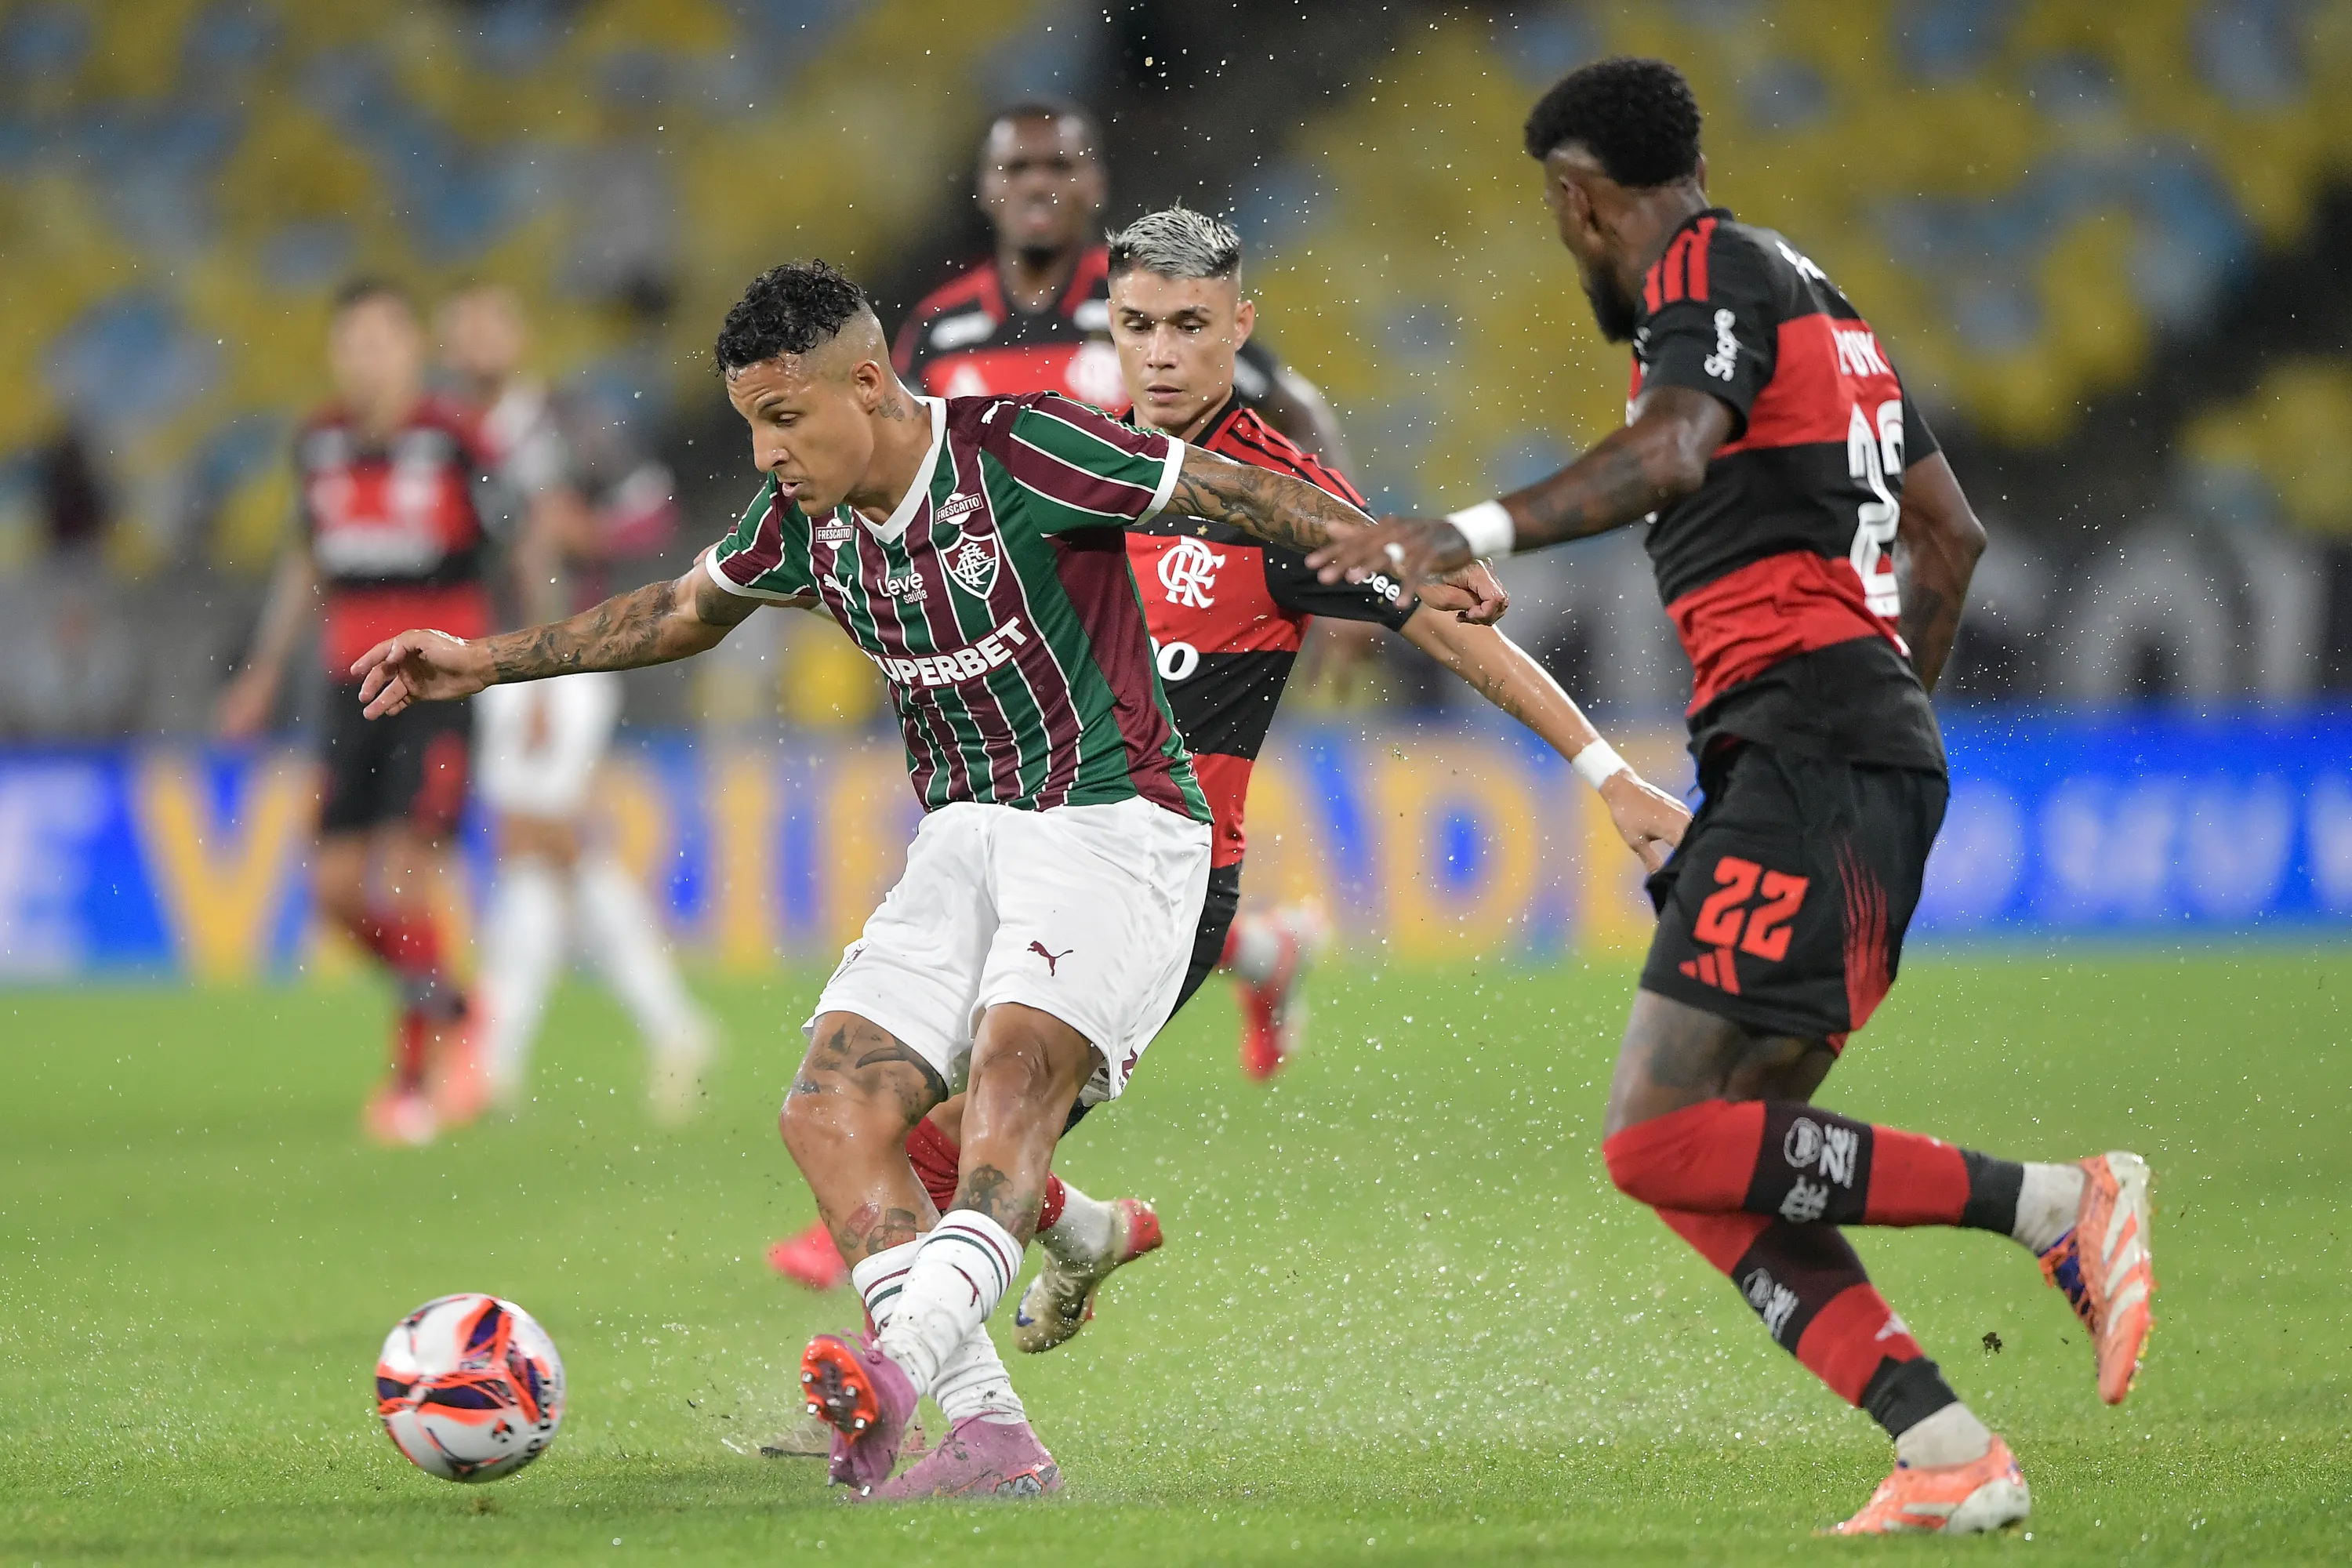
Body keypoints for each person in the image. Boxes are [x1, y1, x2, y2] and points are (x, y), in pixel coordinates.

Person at [350, 260, 1410, 1501]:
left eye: (784, 418)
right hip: (964, 836)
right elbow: (685, 611)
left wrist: (1405, 563)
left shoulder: (1020, 450)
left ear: (866, 385)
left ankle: (894, 1371)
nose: (766, 453)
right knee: (829, 1114)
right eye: (752, 424)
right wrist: (485, 661)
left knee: (1005, 1102)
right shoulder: (804, 521)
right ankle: (994, 1440)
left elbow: (1229, 491)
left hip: (1114, 821)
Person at [1310, 59, 2154, 1537]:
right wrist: (1880, 735)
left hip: (1814, 746)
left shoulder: (1705, 274)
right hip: (1841, 756)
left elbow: (1676, 449)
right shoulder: (1822, 305)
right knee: (1718, 1158)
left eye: (1558, 216)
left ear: (1579, 202)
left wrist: (1468, 526)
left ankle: (2057, 1204)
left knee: (1655, 1137)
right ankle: (1946, 1448)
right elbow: (1948, 540)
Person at [771, 209, 1692, 1370]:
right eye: (1139, 325)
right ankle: (1081, 1239)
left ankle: (904, 1381)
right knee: (867, 1120)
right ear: (1109, 328)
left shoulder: (1276, 501)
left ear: (1239, 327)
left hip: (1161, 875)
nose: (1161, 355)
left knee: (946, 1150)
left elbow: (1453, 630)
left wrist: (1610, 774)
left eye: (1191, 326)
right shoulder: (1059, 459)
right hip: (1018, 843)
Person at [216, 278, 492, 1147]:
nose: (364, 359)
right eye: (351, 343)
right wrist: (264, 669)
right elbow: (305, 558)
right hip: (350, 687)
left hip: (435, 684)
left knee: (407, 873)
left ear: (412, 349)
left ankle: (416, 1074)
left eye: (379, 341)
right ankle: (449, 999)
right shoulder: (320, 442)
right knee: (335, 889)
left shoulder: (455, 440)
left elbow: (520, 546)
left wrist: (528, 665)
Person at [437, 283, 717, 1122]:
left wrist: (586, 533)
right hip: (484, 657)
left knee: (531, 836)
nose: (477, 340)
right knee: (546, 847)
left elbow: (652, 510)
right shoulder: (448, 437)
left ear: (517, 335)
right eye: (464, 327)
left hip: (569, 653)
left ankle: (495, 1054)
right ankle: (672, 1027)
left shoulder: (568, 421)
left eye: (490, 323)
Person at [895, 100, 1354, 466]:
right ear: (986, 188)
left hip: (1142, 559)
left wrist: (1340, 536)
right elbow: (895, 459)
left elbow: (1298, 412)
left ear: (1095, 185)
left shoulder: (1157, 300)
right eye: (1016, 168)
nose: (1036, 184)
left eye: (1059, 166)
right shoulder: (936, 328)